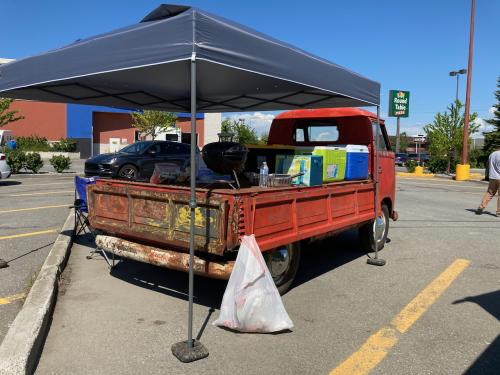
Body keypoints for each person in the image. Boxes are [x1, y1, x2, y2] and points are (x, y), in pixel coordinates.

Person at [476, 148, 500, 216]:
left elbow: (488, 166)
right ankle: (498, 212)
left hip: (492, 177)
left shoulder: (492, 154)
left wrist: (486, 176)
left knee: (489, 193)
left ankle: (481, 207)